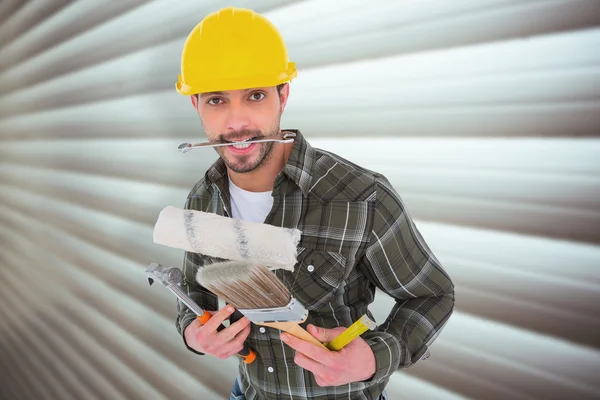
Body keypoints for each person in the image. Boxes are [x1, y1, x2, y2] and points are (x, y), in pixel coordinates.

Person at [174, 7, 455, 400]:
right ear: (196, 105)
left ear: (283, 95)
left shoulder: (361, 198)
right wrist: (195, 334)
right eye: (217, 100)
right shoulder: (201, 203)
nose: (236, 122)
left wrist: (375, 356)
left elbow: (432, 295)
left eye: (255, 95)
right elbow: (193, 293)